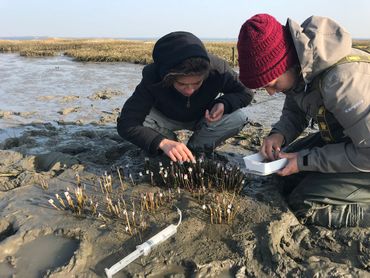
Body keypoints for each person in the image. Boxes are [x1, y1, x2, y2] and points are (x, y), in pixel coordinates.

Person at [237, 14, 370, 228]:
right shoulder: (303, 68)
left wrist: (303, 160)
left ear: (287, 62)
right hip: (349, 140)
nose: (270, 93)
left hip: (366, 154)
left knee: (304, 203)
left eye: (272, 84)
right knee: (281, 173)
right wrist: (278, 134)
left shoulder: (343, 83)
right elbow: (296, 109)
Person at [117, 31, 254, 163]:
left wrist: (224, 103)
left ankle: (196, 149)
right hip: (165, 118)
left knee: (238, 117)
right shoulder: (153, 77)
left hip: (204, 117)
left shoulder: (218, 69)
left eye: (197, 83)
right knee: (143, 121)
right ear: (167, 77)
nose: (190, 91)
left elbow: (246, 92)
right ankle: (170, 146)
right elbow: (126, 123)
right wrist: (161, 142)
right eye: (181, 84)